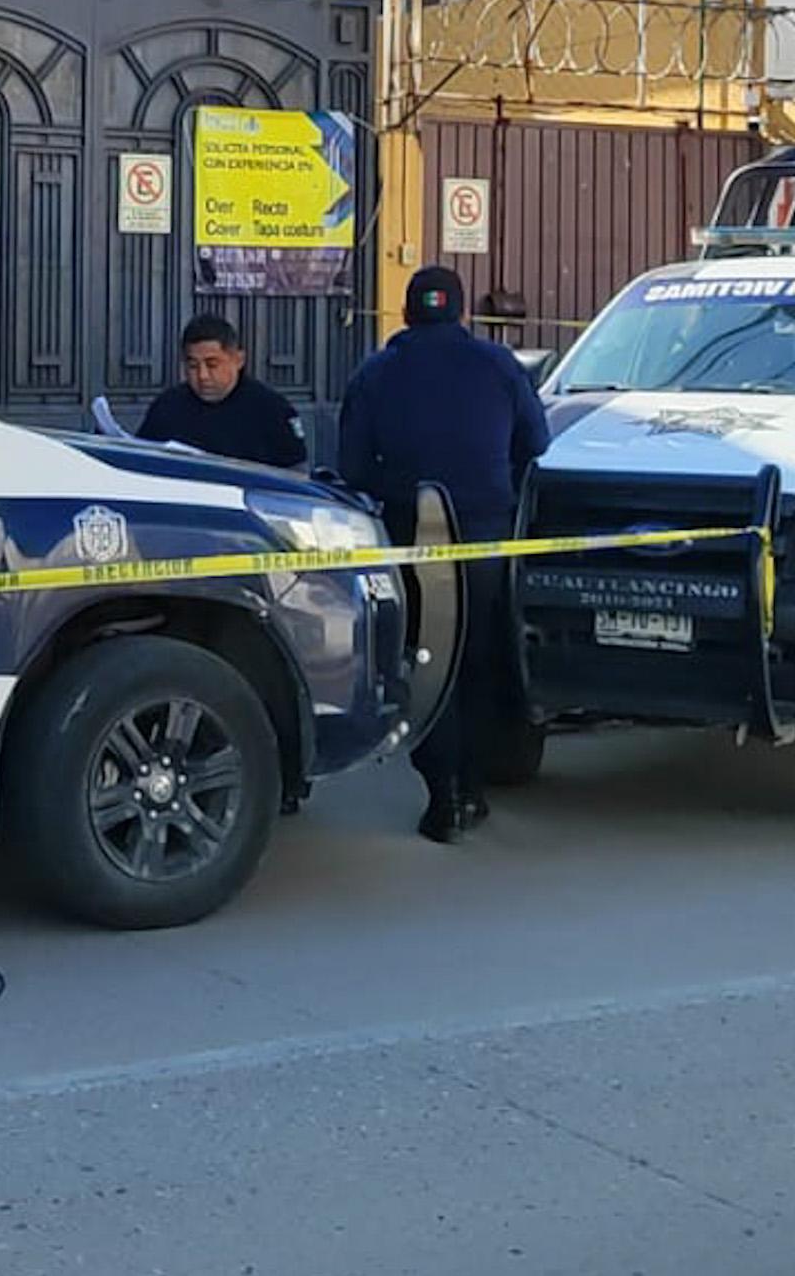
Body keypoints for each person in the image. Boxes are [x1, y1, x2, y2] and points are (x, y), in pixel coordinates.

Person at [337, 265, 550, 844]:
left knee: (424, 662)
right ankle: (471, 788)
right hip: (486, 539)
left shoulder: (376, 372)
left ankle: (441, 796)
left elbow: (352, 467)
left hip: (412, 540)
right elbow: (537, 444)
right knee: (479, 660)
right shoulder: (500, 365)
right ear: (463, 313)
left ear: (406, 314)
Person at [136, 315, 308, 469]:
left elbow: (297, 475)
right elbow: (142, 462)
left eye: (212, 365)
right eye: (193, 366)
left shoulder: (272, 410)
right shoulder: (167, 407)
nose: (202, 375)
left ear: (238, 360)